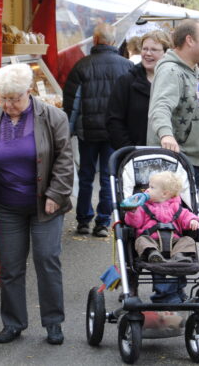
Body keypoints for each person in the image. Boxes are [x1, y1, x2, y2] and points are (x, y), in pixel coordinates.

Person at [0, 63, 74, 346]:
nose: (7, 104)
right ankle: (13, 323)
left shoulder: (53, 117)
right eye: (3, 98)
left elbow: (65, 160)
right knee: (10, 267)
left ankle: (53, 322)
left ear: (28, 92)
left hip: (45, 205)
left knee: (47, 260)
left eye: (14, 98)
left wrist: (56, 194)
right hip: (7, 206)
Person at [63, 23, 132, 237]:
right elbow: (131, 103)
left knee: (86, 174)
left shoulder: (82, 65)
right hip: (114, 132)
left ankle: (83, 220)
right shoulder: (127, 66)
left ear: (94, 40)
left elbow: (73, 104)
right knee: (108, 176)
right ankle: (103, 222)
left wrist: (68, 131)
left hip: (88, 131)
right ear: (113, 42)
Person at [148, 21, 199, 189]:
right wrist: (166, 135)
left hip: (191, 161)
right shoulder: (171, 71)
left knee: (188, 213)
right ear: (190, 40)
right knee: (175, 214)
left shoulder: (196, 71)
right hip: (174, 163)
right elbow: (160, 107)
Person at [124, 171, 199, 304]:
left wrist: (193, 221)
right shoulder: (143, 207)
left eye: (152, 187)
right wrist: (132, 211)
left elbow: (186, 216)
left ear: (165, 193)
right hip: (152, 241)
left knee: (188, 240)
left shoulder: (177, 208)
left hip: (174, 243)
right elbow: (134, 223)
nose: (147, 189)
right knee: (141, 240)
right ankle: (151, 254)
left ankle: (181, 256)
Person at [107, 30, 172, 150]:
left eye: (154, 49)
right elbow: (114, 121)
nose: (148, 53)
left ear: (166, 53)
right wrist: (129, 151)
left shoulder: (173, 82)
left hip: (169, 155)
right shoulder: (126, 82)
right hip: (133, 156)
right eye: (145, 49)